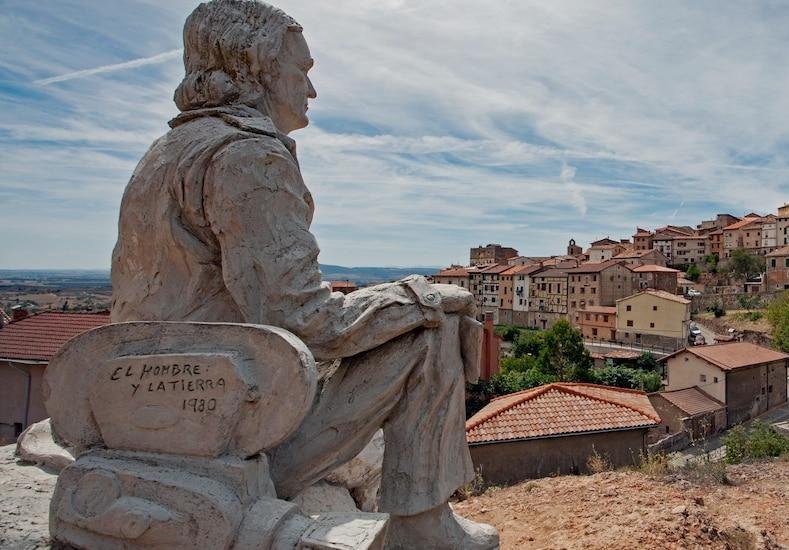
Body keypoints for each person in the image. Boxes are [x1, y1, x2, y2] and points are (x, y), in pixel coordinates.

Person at [109, 1, 498, 547]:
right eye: (304, 71)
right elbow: (306, 319)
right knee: (431, 326)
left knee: (419, 308)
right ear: (260, 66)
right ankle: (423, 528)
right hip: (224, 429)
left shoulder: (166, 152)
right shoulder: (248, 156)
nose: (310, 91)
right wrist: (424, 297)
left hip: (153, 407)